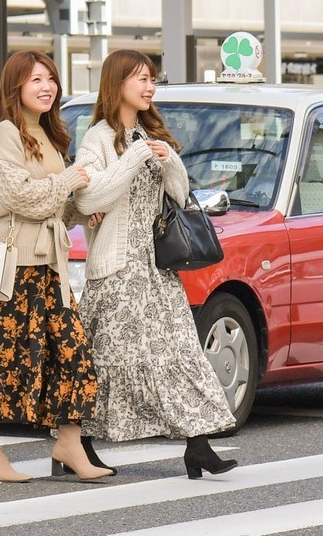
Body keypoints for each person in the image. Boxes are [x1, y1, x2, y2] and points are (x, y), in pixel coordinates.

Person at [0, 50, 113, 483]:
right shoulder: (5, 133)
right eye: (35, 79)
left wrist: (78, 212)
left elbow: (49, 204)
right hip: (13, 266)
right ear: (15, 86)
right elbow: (19, 197)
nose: (46, 86)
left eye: (50, 79)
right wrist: (72, 181)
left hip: (49, 268)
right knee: (1, 357)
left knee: (72, 354)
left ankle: (69, 443)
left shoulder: (48, 133)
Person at [74, 49, 239, 480]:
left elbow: (181, 197)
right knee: (107, 358)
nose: (149, 87)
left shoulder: (149, 133)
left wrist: (170, 163)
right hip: (116, 269)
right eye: (140, 79)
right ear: (117, 84)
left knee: (180, 351)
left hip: (156, 268)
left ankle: (197, 446)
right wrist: (134, 157)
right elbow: (90, 199)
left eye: (152, 79)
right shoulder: (98, 138)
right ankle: (77, 445)